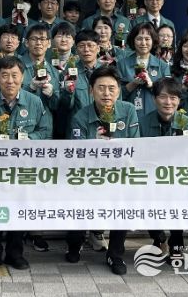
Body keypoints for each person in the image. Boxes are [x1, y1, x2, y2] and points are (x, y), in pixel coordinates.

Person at [0, 56, 52, 273]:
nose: (10, 81)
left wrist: (29, 140)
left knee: (19, 208)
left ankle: (16, 253)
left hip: (23, 169)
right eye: (4, 75)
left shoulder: (34, 102)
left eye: (15, 75)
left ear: (23, 77)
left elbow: (45, 131)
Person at [68, 66, 140, 274]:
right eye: (101, 88)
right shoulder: (81, 116)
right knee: (77, 202)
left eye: (111, 88)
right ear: (91, 91)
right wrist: (96, 145)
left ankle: (115, 255)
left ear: (118, 90)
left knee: (124, 202)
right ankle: (75, 244)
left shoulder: (128, 110)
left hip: (119, 174)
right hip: (89, 175)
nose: (106, 93)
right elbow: (77, 153)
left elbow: (135, 144)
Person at [139, 78, 188, 260]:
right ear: (154, 99)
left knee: (178, 199)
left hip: (178, 178)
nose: (168, 102)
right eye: (163, 97)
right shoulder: (142, 122)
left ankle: (176, 242)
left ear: (179, 100)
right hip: (150, 177)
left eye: (173, 98)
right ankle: (159, 238)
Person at [117, 22, 171, 125]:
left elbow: (168, 95)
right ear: (133, 40)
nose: (143, 43)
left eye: (147, 39)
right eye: (139, 39)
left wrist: (151, 85)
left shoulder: (162, 66)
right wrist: (133, 84)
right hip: (128, 117)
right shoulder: (122, 64)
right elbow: (116, 95)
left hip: (155, 117)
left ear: (153, 40)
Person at [19, 24, 60, 117]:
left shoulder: (54, 71)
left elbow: (56, 107)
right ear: (26, 43)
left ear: (49, 43)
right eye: (34, 39)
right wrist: (30, 88)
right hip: (22, 118)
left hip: (45, 122)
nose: (38, 43)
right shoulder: (16, 67)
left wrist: (51, 95)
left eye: (42, 39)